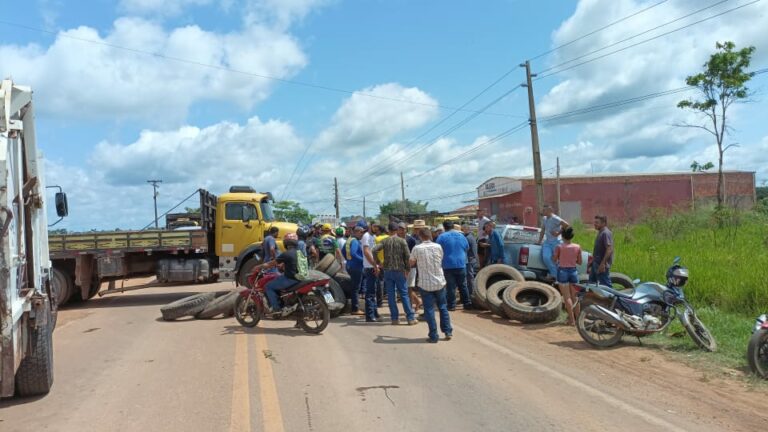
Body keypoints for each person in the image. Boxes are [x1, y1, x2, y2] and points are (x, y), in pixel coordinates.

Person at [410, 223, 453, 343]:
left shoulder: (417, 248)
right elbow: (441, 259)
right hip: (439, 281)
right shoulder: (438, 246)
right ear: (430, 236)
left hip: (425, 283)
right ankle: (448, 331)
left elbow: (411, 263)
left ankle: (433, 336)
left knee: (429, 310)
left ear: (420, 237)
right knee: (443, 307)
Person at [373, 222, 416, 325]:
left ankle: (394, 319)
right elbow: (407, 256)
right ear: (396, 230)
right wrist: (407, 269)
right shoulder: (402, 241)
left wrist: (379, 263)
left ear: (388, 230)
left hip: (388, 271)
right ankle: (410, 318)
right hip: (400, 271)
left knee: (391, 295)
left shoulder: (385, 241)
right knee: (404, 294)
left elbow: (374, 250)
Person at [263, 233, 305, 314]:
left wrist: (258, 267)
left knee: (268, 286)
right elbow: (292, 263)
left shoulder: (286, 253)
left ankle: (276, 308)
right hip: (300, 277)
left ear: (286, 244)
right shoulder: (299, 252)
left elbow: (269, 264)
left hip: (291, 279)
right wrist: (282, 265)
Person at [437, 220, 471, 311]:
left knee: (450, 286)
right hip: (461, 264)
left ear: (444, 227)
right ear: (452, 226)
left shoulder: (441, 237)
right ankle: (467, 303)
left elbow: (437, 250)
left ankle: (452, 305)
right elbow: (467, 248)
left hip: (447, 265)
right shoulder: (461, 236)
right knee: (463, 285)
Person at [553, 227, 582, 326]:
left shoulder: (559, 247)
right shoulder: (577, 247)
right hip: (573, 272)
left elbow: (554, 259)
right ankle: (579, 319)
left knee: (567, 297)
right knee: (575, 297)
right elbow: (580, 262)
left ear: (562, 236)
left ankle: (572, 320)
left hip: (562, 271)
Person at [539, 204, 570, 282]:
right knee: (546, 257)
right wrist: (539, 241)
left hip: (556, 242)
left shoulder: (555, 218)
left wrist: (558, 233)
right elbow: (543, 230)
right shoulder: (544, 218)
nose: (543, 212)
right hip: (547, 242)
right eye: (543, 210)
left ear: (550, 211)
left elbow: (567, 225)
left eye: (544, 210)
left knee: (556, 260)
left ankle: (556, 277)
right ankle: (555, 275)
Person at [342, 225, 365, 315]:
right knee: (356, 288)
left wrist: (348, 260)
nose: (362, 234)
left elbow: (343, 251)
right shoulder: (355, 241)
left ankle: (354, 307)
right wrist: (363, 260)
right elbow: (353, 253)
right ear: (357, 232)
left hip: (350, 265)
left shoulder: (349, 240)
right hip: (356, 267)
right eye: (361, 232)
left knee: (354, 287)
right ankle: (355, 309)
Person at [360, 220, 380, 322]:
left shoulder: (374, 237)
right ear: (370, 226)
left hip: (374, 266)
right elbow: (366, 252)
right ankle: (370, 315)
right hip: (369, 267)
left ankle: (375, 313)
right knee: (370, 292)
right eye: (375, 226)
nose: (376, 228)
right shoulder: (366, 236)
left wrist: (378, 265)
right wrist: (374, 265)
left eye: (377, 226)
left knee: (374, 291)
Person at [590, 215, 614, 287]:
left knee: (606, 287)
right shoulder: (601, 232)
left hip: (601, 265)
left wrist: (603, 264)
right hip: (596, 263)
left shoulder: (605, 233)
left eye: (597, 222)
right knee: (592, 284)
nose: (595, 224)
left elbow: (609, 249)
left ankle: (612, 298)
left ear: (603, 223)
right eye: (594, 222)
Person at [462, 223, 479, 299]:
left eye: (463, 229)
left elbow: (467, 249)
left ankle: (471, 294)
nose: (462, 230)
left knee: (470, 277)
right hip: (471, 259)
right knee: (469, 276)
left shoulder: (468, 238)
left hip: (469, 259)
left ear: (467, 229)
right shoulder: (471, 237)